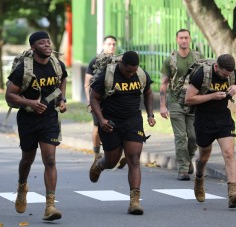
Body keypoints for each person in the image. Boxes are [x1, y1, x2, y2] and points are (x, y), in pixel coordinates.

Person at [6, 31, 67, 221]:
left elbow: (63, 78)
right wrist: (30, 103)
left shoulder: (57, 64)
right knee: (27, 160)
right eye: (42, 43)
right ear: (33, 47)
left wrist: (62, 99)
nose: (48, 45)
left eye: (48, 42)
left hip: (49, 118)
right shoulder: (23, 69)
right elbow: (9, 95)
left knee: (50, 159)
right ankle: (22, 185)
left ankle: (50, 206)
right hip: (28, 119)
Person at [89, 51, 156, 215]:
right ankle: (100, 163)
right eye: (128, 71)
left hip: (133, 121)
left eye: (134, 70)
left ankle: (134, 202)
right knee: (112, 161)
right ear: (121, 64)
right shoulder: (108, 74)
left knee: (134, 158)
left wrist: (150, 114)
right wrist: (101, 120)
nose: (131, 74)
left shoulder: (140, 74)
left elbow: (147, 92)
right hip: (110, 122)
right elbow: (94, 98)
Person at [185, 54, 236, 208]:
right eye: (224, 74)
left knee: (229, 153)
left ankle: (232, 193)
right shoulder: (202, 74)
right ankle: (199, 177)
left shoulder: (232, 74)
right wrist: (212, 96)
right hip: (204, 120)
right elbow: (189, 99)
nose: (226, 77)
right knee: (204, 157)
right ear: (216, 67)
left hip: (223, 119)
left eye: (228, 75)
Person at [159, 29, 202, 180]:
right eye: (181, 38)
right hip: (176, 101)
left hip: (193, 101)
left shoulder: (198, 57)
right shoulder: (170, 60)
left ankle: (188, 159)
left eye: (186, 38)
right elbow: (164, 83)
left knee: (194, 136)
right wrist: (163, 105)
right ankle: (183, 169)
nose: (184, 40)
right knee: (180, 137)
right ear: (177, 40)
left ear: (190, 39)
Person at [84, 35, 126, 168]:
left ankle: (121, 155)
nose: (112, 46)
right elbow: (87, 83)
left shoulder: (120, 61)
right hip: (98, 101)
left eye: (114, 44)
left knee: (119, 127)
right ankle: (96, 154)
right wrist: (89, 101)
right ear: (103, 45)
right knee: (97, 126)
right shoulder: (95, 61)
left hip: (115, 102)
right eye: (109, 44)